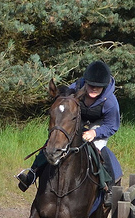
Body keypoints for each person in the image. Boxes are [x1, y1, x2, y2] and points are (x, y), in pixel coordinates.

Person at [15, 60, 120, 206]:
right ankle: (32, 174)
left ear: (104, 86)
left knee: (99, 149)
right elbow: (64, 105)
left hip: (99, 127)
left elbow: (112, 125)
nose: (94, 89)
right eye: (91, 85)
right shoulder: (75, 89)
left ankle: (109, 189)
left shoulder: (110, 102)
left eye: (98, 87)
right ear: (86, 82)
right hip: (75, 121)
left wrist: (94, 133)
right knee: (53, 143)